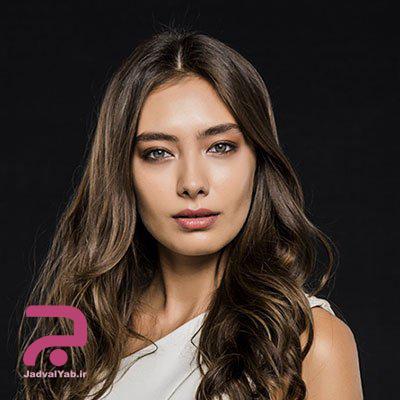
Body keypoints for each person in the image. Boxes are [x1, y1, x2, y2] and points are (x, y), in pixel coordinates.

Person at [16, 29, 363, 400]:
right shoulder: (78, 329)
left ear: (258, 160)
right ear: (122, 171)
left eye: (221, 146)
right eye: (158, 152)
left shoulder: (310, 343)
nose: (192, 183)